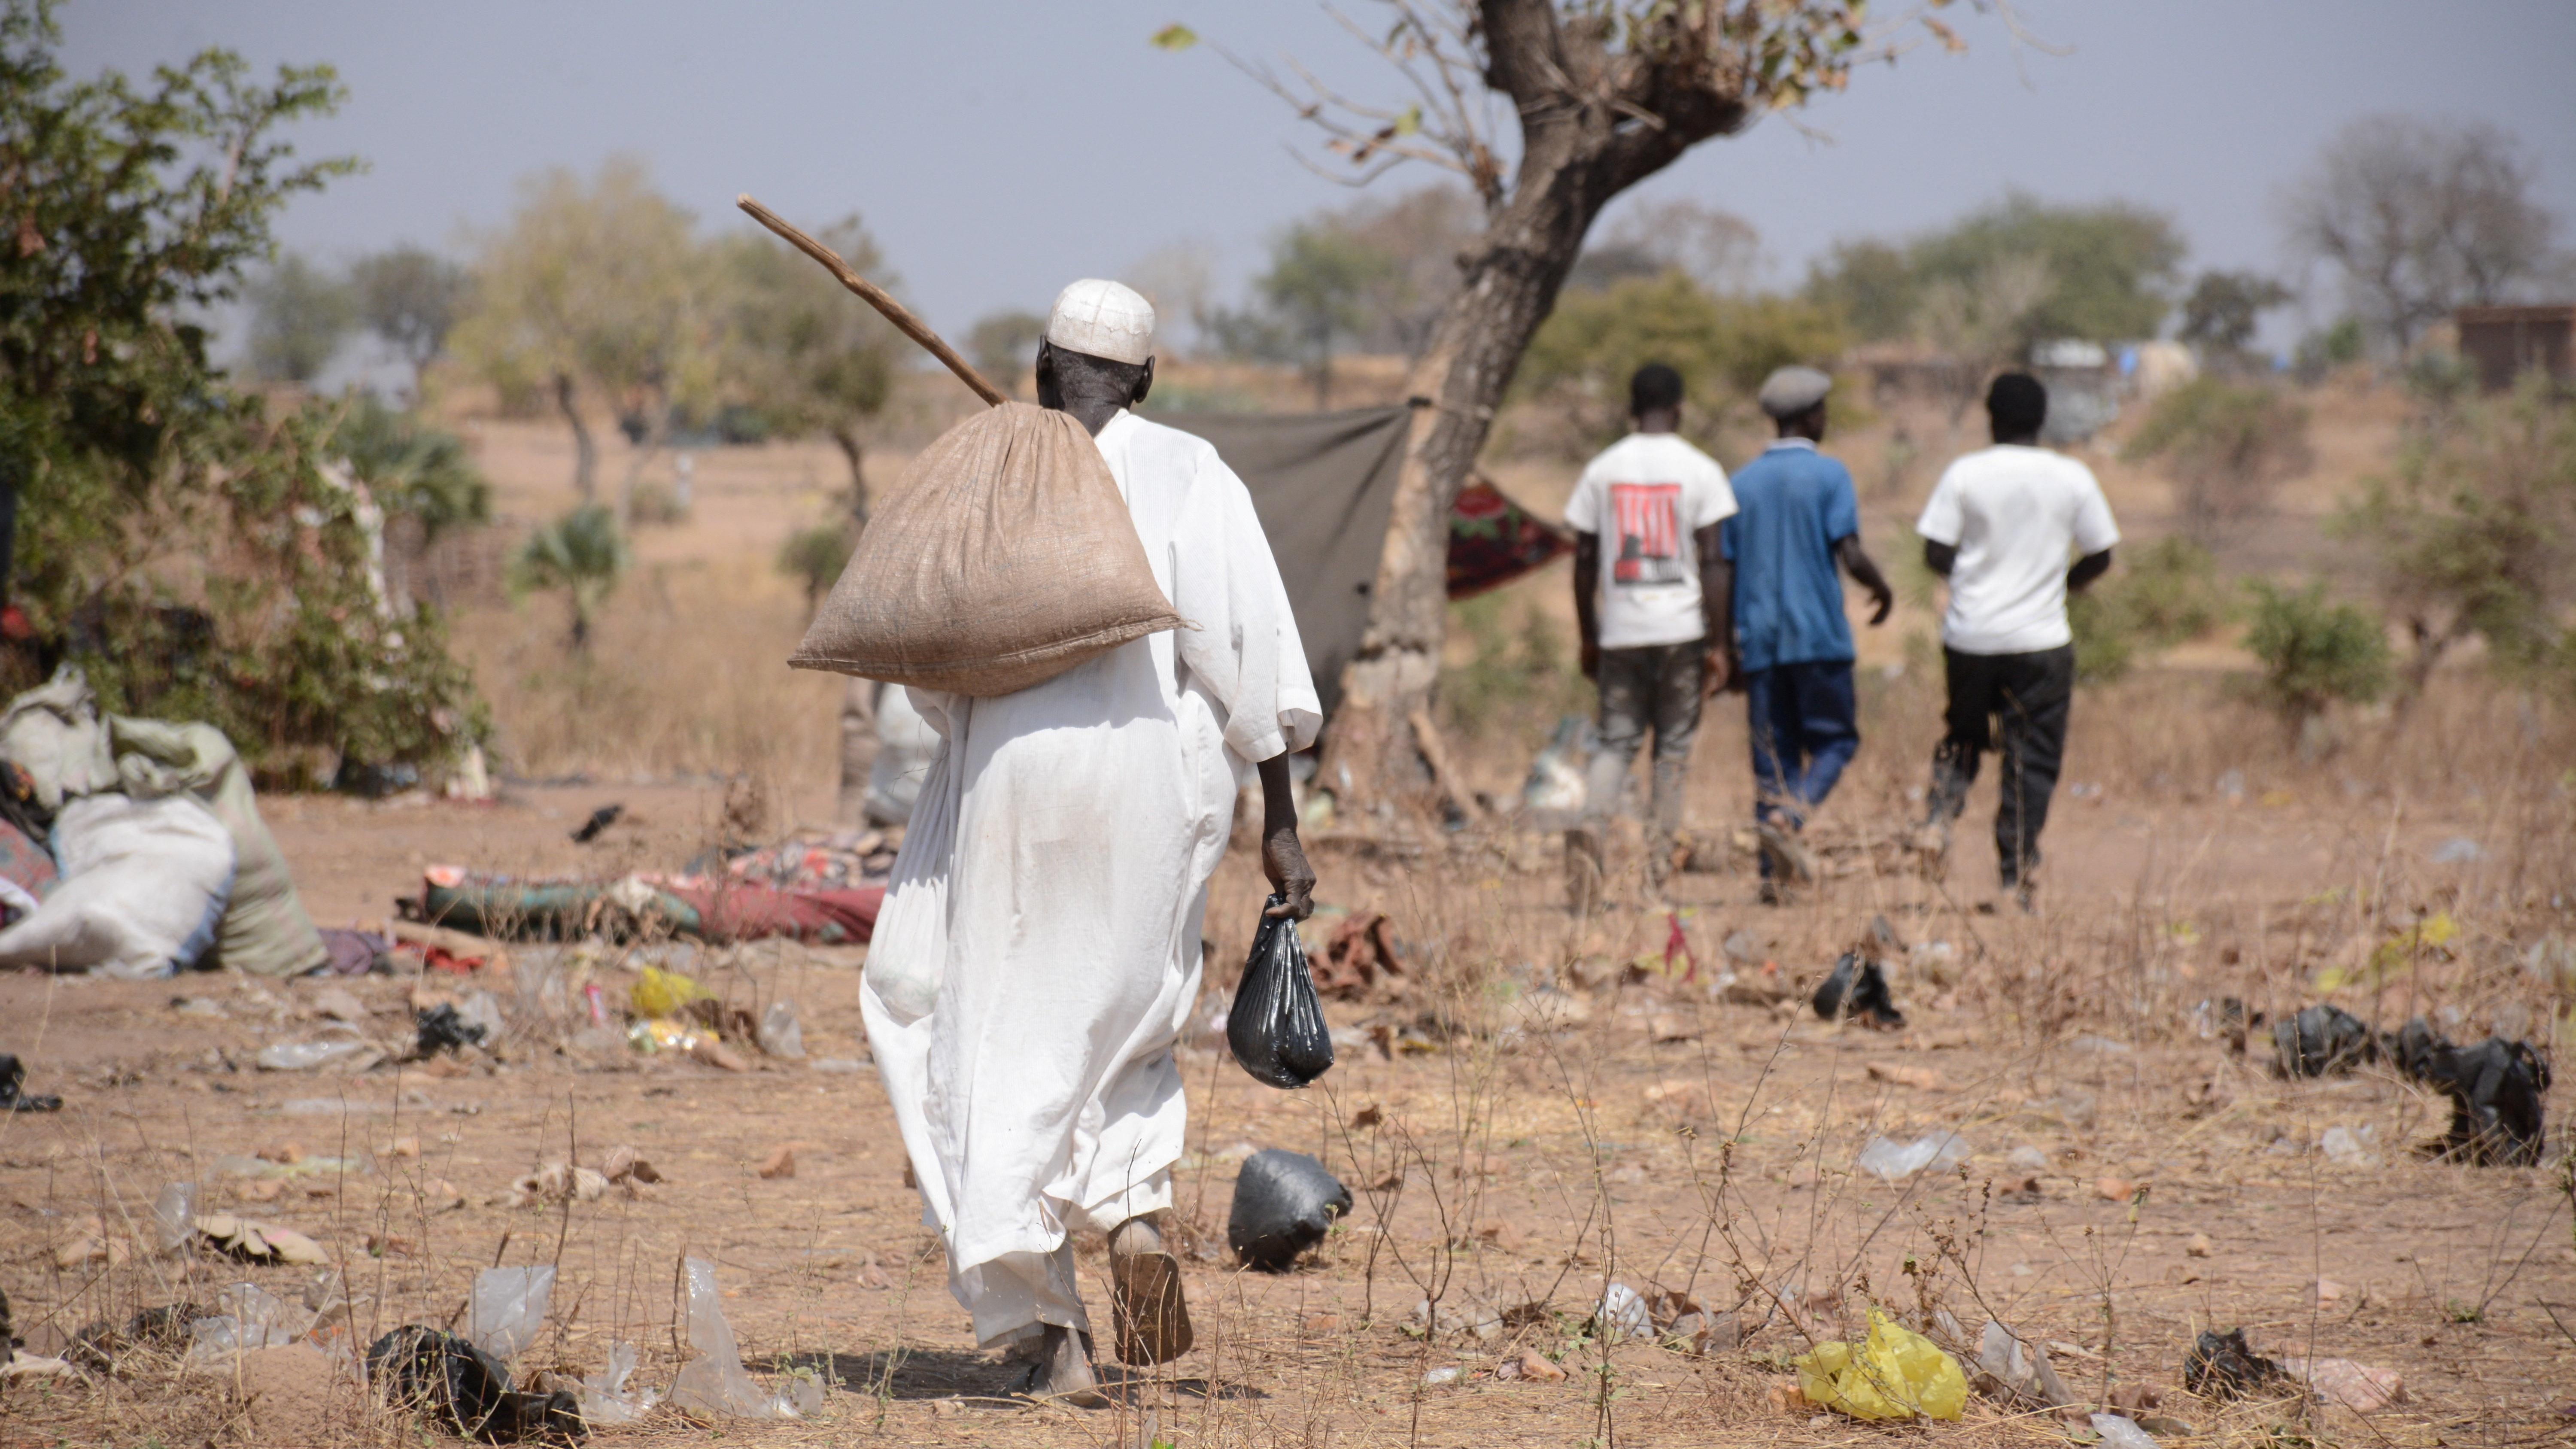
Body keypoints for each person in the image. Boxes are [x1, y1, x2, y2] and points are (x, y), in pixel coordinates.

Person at [859, 279, 1321, 1402]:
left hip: (1016, 773)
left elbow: (929, 662)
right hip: (1157, 780)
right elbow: (1245, 653)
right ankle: (1130, 1205)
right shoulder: (1193, 468)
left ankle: (1045, 1323)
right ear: (1146, 378)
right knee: (1128, 1013)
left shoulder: (991, 466)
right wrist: (1284, 822)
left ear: (1044, 366)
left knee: (975, 1024)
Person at [1912, 371, 2117, 909]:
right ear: (2042, 419)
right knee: (2033, 757)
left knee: (1963, 735)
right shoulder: (2071, 477)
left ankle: (1939, 817)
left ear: (1991, 417)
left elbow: (1934, 551)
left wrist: (1975, 576)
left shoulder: (1966, 474)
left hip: (1971, 636)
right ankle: (2014, 873)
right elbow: (2102, 553)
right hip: (2041, 639)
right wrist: (2064, 583)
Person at [1717, 365, 1893, 900]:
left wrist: (1725, 645)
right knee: (1837, 740)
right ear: (1812, 415)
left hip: (1762, 643)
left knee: (1773, 757)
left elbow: (1722, 571)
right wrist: (1881, 588)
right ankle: (1793, 817)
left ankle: (1774, 882)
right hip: (1818, 638)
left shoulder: (1740, 483)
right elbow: (1850, 551)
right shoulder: (1830, 476)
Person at [1564, 364, 1737, 873]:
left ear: (1631, 409)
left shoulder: (1603, 469)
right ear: (1679, 409)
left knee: (1616, 743)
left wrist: (1588, 635)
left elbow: (1583, 560)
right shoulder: (1701, 469)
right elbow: (1714, 562)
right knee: (1673, 751)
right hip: (1682, 631)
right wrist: (1721, 644)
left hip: (1621, 630)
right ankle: (1659, 869)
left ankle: (1591, 828)